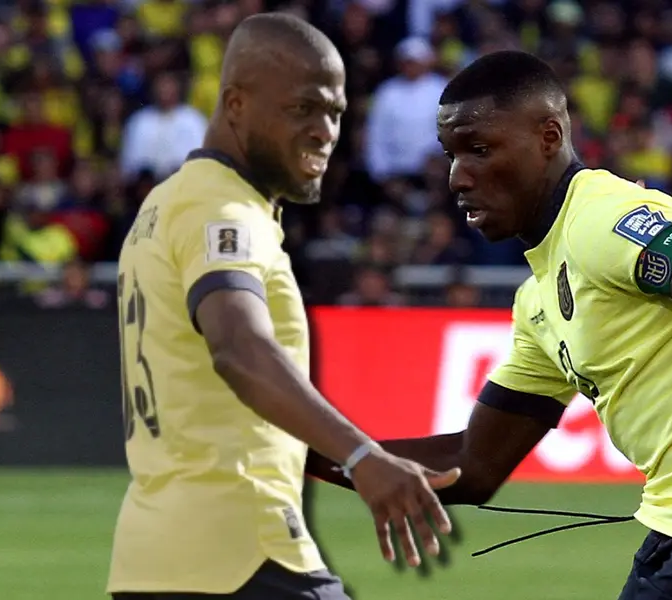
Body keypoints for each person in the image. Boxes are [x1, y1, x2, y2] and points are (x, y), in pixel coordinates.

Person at [307, 50, 672, 600]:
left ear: (548, 137)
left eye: (480, 149)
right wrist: (310, 453)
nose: (457, 176)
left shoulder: (600, 218)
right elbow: (473, 464)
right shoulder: (537, 299)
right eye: (451, 154)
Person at [107, 13, 459, 600]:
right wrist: (361, 456)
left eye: (335, 113)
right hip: (241, 551)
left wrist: (334, 455)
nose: (325, 131)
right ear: (236, 104)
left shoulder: (165, 206)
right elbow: (238, 349)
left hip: (154, 559)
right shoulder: (224, 212)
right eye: (304, 108)